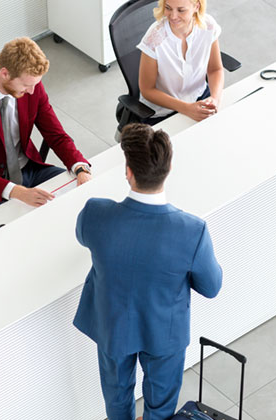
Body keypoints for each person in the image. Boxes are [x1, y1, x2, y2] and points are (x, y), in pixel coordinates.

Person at [73, 123, 223, 420]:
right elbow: (212, 287)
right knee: (161, 404)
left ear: (128, 171)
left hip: (113, 327)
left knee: (117, 398)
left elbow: (82, 237)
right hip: (164, 333)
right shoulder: (192, 230)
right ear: (167, 169)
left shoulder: (95, 213)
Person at [0, 37, 92, 223]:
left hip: (28, 169)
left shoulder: (33, 86)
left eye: (35, 84)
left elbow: (55, 134)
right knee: (22, 228)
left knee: (78, 198)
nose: (32, 91)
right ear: (5, 74)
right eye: (26, 86)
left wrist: (79, 167)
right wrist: (17, 192)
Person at [137, 0, 224, 125]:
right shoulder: (154, 39)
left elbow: (215, 69)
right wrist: (187, 108)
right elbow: (147, 89)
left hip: (200, 97)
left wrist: (215, 98)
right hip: (163, 111)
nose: (173, 16)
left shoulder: (208, 26)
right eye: (168, 8)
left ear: (196, 6)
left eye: (181, 10)